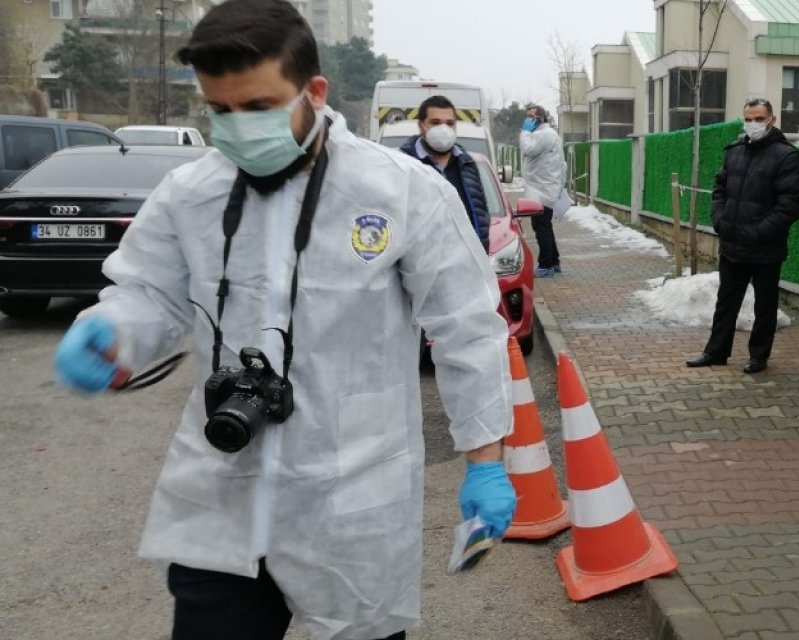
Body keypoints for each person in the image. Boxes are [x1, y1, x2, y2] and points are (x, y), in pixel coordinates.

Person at [49, 1, 517, 638]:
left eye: (259, 107)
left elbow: (468, 328)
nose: (239, 128)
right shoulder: (191, 193)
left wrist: (485, 459)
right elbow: (147, 293)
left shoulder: (400, 192)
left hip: (351, 502)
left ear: (314, 91)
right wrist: (110, 333)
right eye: (221, 111)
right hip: (223, 493)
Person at [685, 98, 799, 375]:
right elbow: (719, 189)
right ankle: (715, 352)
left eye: (759, 119)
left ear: (771, 120)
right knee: (726, 301)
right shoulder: (735, 151)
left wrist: (758, 232)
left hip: (766, 248)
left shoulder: (786, 156)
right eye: (748, 119)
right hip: (732, 244)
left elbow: (790, 206)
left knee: (765, 306)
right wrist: (719, 220)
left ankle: (758, 357)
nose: (753, 124)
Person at [400, 95, 490, 253]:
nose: (443, 129)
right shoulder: (403, 165)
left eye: (449, 124)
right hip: (420, 266)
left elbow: (480, 213)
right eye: (435, 123)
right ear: (421, 126)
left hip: (465, 264)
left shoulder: (467, 164)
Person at [519, 104, 565, 278]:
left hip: (541, 190)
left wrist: (524, 132)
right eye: (527, 117)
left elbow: (528, 149)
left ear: (541, 118)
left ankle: (546, 264)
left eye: (532, 117)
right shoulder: (549, 134)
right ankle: (554, 262)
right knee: (546, 226)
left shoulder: (543, 134)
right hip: (545, 187)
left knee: (541, 228)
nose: (528, 121)